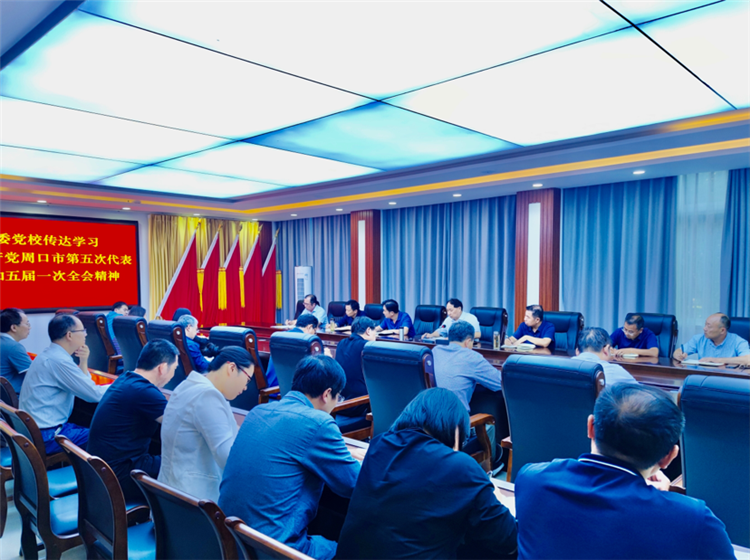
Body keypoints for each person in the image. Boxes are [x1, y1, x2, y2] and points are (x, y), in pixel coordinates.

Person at [514, 383, 735, 559]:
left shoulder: (532, 480)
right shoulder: (695, 521)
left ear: (590, 427)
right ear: (669, 456)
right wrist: (666, 503)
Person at [337, 388, 517, 560]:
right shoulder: (460, 467)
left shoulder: (379, 445)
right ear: (455, 429)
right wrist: (497, 498)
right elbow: (509, 540)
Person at [219, 355, 364, 560]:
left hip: (231, 542)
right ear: (327, 394)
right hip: (275, 549)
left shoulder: (258, 412)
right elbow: (354, 483)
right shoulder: (318, 422)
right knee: (352, 550)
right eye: (338, 397)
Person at [87, 340, 178, 502]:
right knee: (181, 464)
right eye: (174, 369)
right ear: (162, 368)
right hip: (120, 476)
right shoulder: (144, 391)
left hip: (102, 472)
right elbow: (181, 426)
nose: (173, 374)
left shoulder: (125, 379)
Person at [159, 346, 253, 502]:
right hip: (193, 500)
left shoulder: (187, 386)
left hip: (171, 493)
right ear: (231, 368)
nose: (245, 388)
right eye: (247, 379)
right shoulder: (208, 396)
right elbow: (228, 458)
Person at [19, 314, 107, 454]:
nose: (85, 334)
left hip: (37, 430)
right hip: (48, 435)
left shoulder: (50, 355)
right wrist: (120, 386)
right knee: (106, 436)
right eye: (83, 330)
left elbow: (84, 386)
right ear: (69, 335)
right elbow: (94, 395)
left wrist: (83, 361)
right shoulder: (59, 361)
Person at [432, 320, 502, 463]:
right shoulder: (472, 357)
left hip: (431, 424)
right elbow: (500, 383)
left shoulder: (435, 351)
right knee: (489, 425)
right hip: (456, 431)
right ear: (468, 341)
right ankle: (491, 465)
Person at [334, 316, 377, 419]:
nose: (376, 335)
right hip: (359, 405)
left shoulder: (341, 343)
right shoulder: (368, 347)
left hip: (339, 402)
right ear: (368, 331)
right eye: (375, 331)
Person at [265, 313, 319, 389]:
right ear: (309, 327)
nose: (314, 335)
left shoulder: (280, 336)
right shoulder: (304, 341)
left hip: (270, 386)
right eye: (315, 331)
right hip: (283, 390)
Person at [674, 313, 750, 364]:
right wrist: (678, 354)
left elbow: (748, 360)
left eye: (709, 326)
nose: (704, 328)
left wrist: (717, 360)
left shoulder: (738, 341)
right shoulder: (699, 339)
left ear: (722, 330)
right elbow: (679, 351)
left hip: (728, 379)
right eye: (705, 325)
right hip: (703, 378)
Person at [571, 327, 638, 386]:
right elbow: (641, 393)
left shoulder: (565, 366)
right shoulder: (614, 371)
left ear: (577, 351)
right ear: (606, 350)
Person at [0, 307, 32, 394]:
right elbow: (34, 374)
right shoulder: (13, 347)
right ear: (14, 327)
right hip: (12, 399)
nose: (30, 327)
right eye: (27, 324)